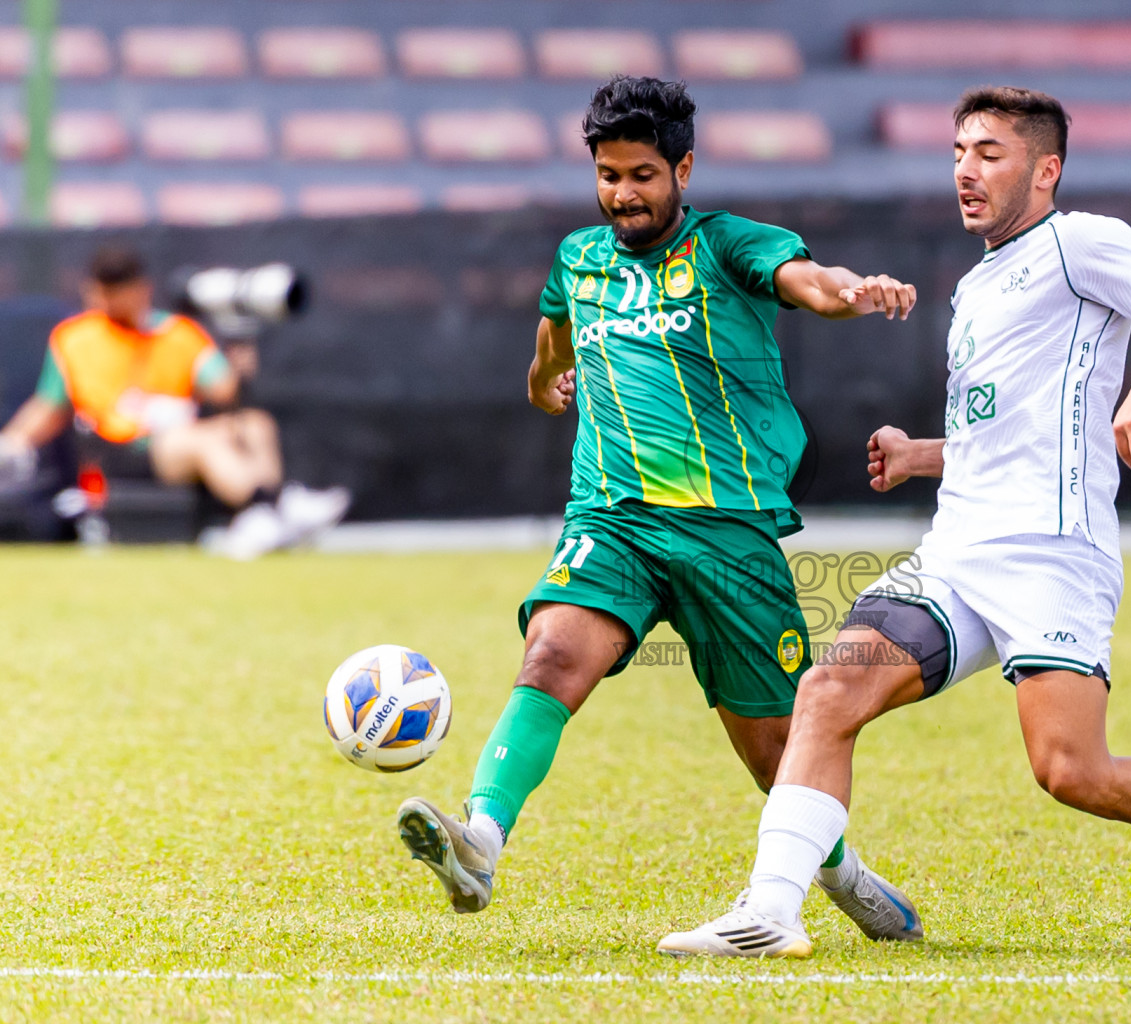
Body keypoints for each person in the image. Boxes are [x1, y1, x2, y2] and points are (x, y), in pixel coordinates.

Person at [660, 86, 1131, 960]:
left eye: (989, 153)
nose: (965, 171)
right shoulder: (975, 286)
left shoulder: (1081, 241)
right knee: (827, 693)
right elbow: (1003, 433)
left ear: (1045, 170)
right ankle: (770, 913)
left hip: (1053, 556)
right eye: (959, 152)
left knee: (1071, 772)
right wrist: (920, 454)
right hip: (956, 555)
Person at [395, 76, 927, 943]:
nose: (623, 195)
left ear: (683, 167)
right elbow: (548, 351)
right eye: (608, 175)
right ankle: (481, 838)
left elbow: (807, 280)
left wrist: (847, 292)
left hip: (729, 533)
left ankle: (843, 874)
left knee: (775, 754)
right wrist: (544, 387)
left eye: (642, 175)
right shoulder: (579, 260)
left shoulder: (728, 245)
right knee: (550, 657)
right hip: (610, 520)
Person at [0, 246, 349, 558]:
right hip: (120, 449)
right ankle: (272, 508)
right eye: (101, 292)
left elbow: (224, 392)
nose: (108, 302)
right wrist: (13, 440)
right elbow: (49, 405)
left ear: (142, 289)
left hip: (177, 439)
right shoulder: (74, 338)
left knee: (255, 424)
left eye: (117, 292)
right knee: (201, 440)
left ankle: (264, 515)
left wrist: (240, 361)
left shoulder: (178, 334)